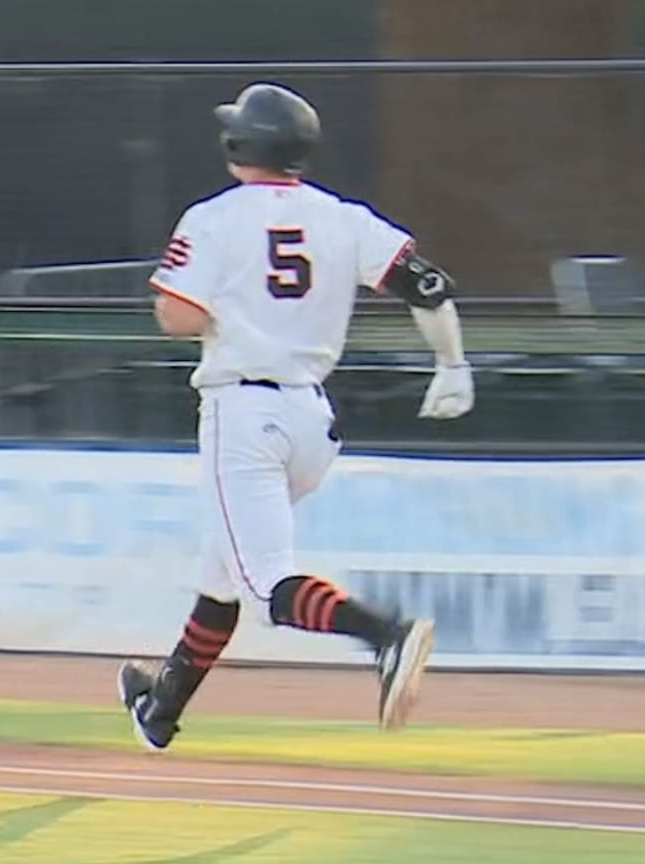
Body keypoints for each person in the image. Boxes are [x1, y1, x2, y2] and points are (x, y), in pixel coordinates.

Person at [116, 82, 476, 752]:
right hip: (312, 418)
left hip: (244, 412)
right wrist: (453, 367)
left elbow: (178, 315)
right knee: (221, 577)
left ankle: (384, 635)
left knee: (268, 589)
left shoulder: (215, 218)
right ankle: (161, 707)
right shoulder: (341, 216)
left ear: (237, 144)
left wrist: (222, 305)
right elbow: (425, 282)